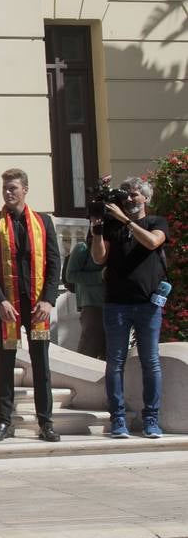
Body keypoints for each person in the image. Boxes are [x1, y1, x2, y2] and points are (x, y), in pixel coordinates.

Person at [0, 168, 61, 443]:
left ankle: (46, 422)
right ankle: (4, 421)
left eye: (13, 188)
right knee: (6, 363)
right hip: (8, 306)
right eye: (5, 188)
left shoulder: (43, 223)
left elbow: (54, 262)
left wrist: (49, 299)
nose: (8, 192)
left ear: (25, 189)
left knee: (41, 364)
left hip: (38, 306)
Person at [89, 176, 170, 438]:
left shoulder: (156, 222)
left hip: (148, 305)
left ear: (146, 198)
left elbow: (152, 242)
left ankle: (151, 420)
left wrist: (125, 220)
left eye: (135, 194)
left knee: (151, 362)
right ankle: (118, 420)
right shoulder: (112, 224)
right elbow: (99, 258)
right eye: (126, 194)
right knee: (115, 363)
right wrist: (97, 230)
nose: (130, 198)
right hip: (116, 305)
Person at [62, 232, 107, 359]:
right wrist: (99, 276)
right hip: (92, 305)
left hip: (113, 305)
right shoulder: (83, 248)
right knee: (89, 349)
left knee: (109, 352)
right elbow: (70, 276)